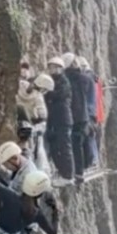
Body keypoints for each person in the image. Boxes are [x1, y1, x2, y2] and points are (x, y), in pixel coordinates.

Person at [44, 57, 74, 186]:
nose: (51, 70)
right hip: (55, 120)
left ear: (60, 68)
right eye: (50, 67)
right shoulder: (53, 81)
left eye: (53, 67)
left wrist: (46, 92)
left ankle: (67, 175)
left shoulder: (64, 82)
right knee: (56, 147)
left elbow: (58, 95)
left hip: (63, 119)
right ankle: (61, 171)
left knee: (64, 146)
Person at [17, 73, 54, 174]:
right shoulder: (38, 97)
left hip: (15, 120)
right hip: (28, 126)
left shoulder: (21, 84)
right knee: (36, 152)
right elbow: (42, 116)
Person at [64, 54, 92, 184]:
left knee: (71, 145)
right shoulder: (84, 78)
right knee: (79, 144)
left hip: (72, 116)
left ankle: (73, 171)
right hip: (83, 116)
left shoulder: (67, 78)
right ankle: (80, 170)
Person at [78, 56, 101, 169]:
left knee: (89, 136)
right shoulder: (94, 78)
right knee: (91, 135)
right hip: (94, 111)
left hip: (88, 112)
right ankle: (93, 160)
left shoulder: (87, 79)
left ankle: (92, 160)